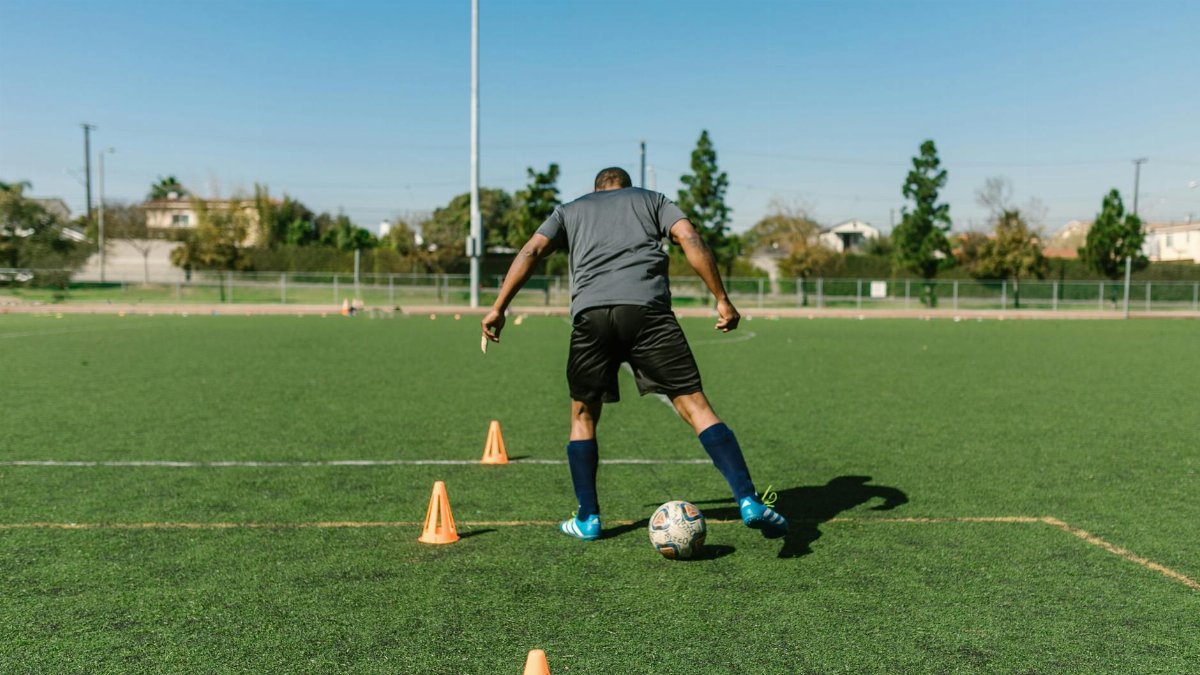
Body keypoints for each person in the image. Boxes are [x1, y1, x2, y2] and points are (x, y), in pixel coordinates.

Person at [481, 167, 787, 542]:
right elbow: (688, 236)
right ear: (626, 187)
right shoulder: (653, 200)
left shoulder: (570, 210)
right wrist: (721, 299)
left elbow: (532, 249)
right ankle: (748, 501)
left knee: (583, 413)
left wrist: (499, 307)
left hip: (591, 316)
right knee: (695, 406)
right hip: (649, 314)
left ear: (597, 190)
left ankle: (588, 518)